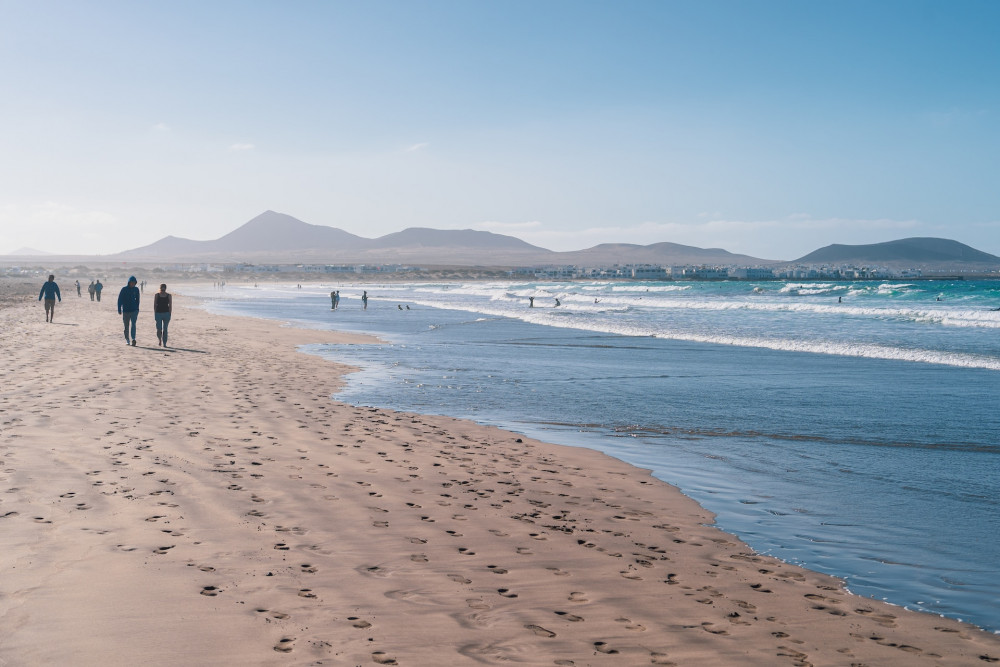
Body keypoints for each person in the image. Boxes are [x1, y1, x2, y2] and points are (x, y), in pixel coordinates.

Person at [117, 276, 140, 346]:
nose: (133, 284)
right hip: (126, 311)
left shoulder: (136, 289)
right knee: (126, 326)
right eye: (131, 282)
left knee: (133, 325)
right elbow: (120, 300)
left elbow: (138, 300)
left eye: (134, 282)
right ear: (129, 282)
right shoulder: (124, 289)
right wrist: (119, 309)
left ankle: (133, 338)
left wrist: (137, 309)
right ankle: (127, 339)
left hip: (134, 311)